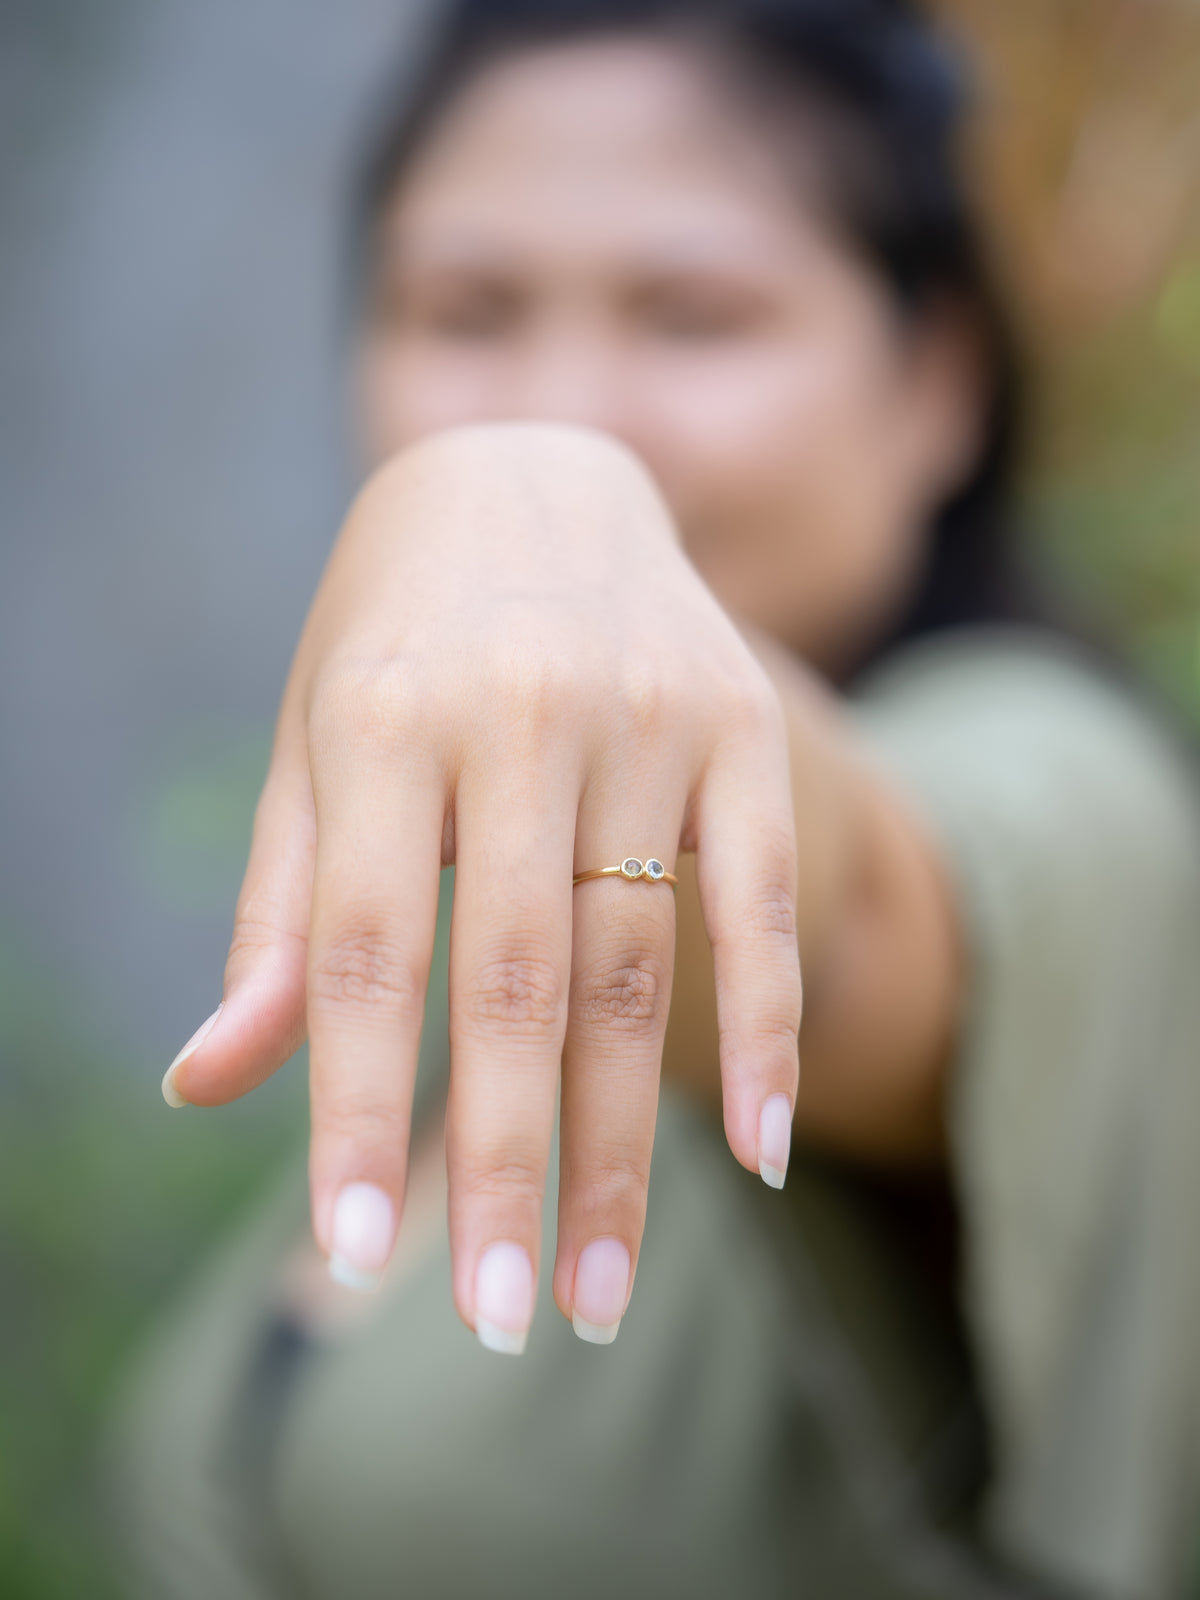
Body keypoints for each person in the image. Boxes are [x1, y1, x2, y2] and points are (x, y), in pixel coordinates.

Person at [96, 2, 1200, 1597]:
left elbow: (867, 902)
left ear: (935, 384)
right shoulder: (463, 950)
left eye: (695, 316)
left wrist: (530, 495)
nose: (568, 404)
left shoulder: (1060, 785)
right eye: (466, 309)